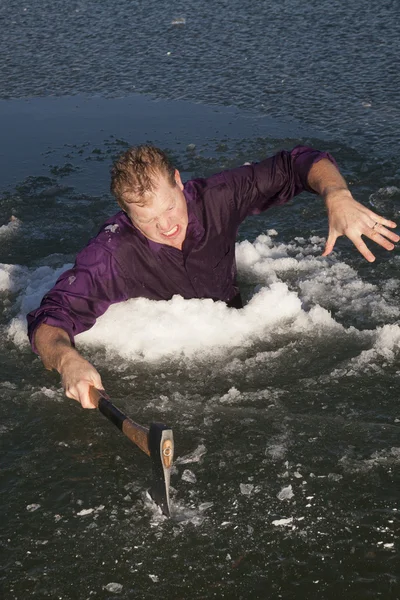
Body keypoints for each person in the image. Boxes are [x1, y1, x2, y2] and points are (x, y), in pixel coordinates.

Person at [27, 145, 399, 409]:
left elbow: (297, 163)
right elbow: (50, 319)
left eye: (170, 207)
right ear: (125, 213)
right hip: (177, 362)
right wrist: (67, 361)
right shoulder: (112, 253)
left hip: (236, 329)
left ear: (179, 182)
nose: (168, 225)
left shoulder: (216, 197)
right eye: (149, 219)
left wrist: (337, 194)